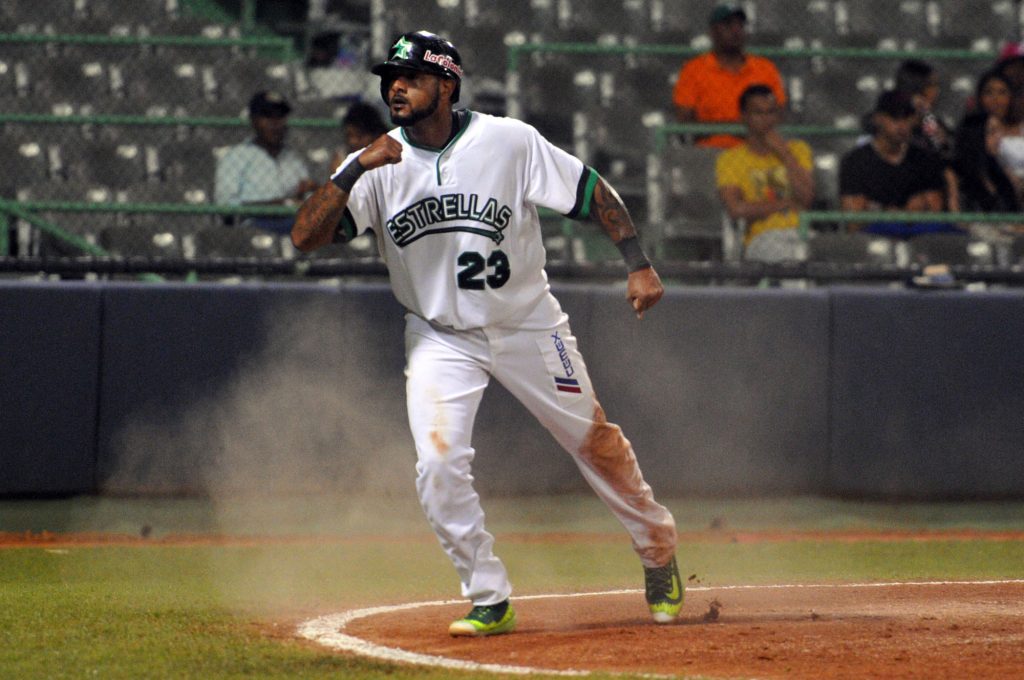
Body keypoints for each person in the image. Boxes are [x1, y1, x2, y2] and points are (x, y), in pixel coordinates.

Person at [293, 30, 681, 637]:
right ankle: (488, 596)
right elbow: (305, 237)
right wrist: (351, 168)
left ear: (447, 85)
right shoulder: (378, 165)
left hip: (527, 323)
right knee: (437, 465)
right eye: (390, 78)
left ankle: (658, 550)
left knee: (594, 443)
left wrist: (637, 262)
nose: (395, 88)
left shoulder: (508, 141)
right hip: (439, 336)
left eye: (411, 77)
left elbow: (590, 192)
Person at [715, 84, 814, 262]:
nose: (766, 119)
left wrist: (785, 154)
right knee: (791, 260)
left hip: (802, 233)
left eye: (771, 112)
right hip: (762, 237)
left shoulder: (798, 150)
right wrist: (785, 204)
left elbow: (806, 199)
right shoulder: (730, 158)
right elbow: (736, 209)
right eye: (758, 113)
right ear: (744, 117)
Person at [839, 90, 952, 238]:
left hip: (920, 236)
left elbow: (934, 210)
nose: (902, 125)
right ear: (878, 119)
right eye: (894, 118)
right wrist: (896, 213)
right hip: (876, 237)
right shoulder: (855, 161)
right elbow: (854, 221)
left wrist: (875, 208)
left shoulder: (924, 158)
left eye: (907, 118)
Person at [672, 3, 786, 149]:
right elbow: (684, 121)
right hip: (710, 151)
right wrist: (740, 127)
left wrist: (719, 127)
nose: (735, 30)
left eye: (740, 25)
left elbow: (778, 114)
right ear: (713, 32)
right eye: (728, 25)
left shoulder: (765, 68)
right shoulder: (693, 69)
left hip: (755, 151)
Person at [214, 90, 318, 234]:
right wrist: (279, 205)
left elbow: (306, 200)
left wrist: (310, 192)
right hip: (253, 226)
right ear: (253, 120)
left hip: (293, 224)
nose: (275, 123)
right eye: (268, 116)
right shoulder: (235, 157)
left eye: (280, 116)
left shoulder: (294, 159)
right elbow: (226, 206)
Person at [328, 101, 390, 170]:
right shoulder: (342, 157)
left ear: (375, 134)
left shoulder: (390, 158)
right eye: (349, 135)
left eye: (359, 136)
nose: (352, 141)